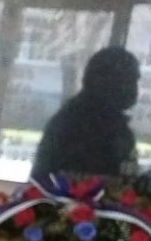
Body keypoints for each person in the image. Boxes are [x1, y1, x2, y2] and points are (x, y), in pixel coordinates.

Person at [32, 46, 141, 180]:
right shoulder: (78, 126)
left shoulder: (112, 124)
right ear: (105, 81)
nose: (134, 90)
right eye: (129, 81)